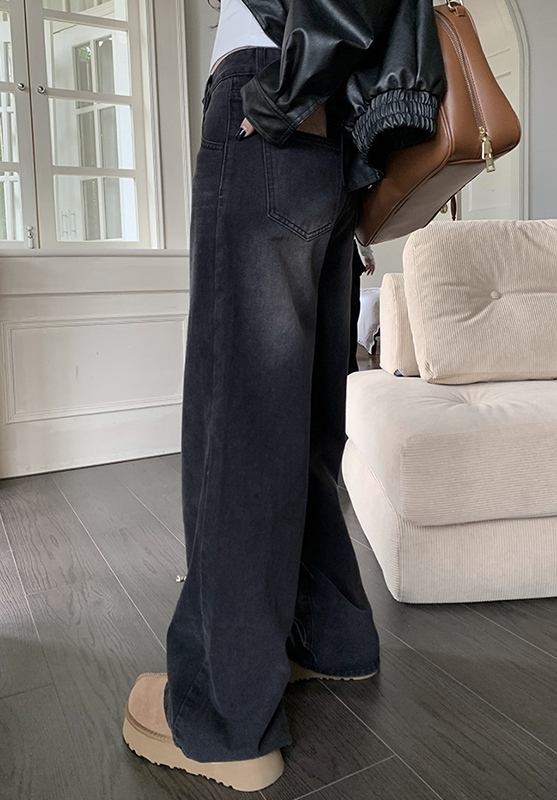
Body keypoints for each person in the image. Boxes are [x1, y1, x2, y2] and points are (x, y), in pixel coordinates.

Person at [122, 0, 445, 792]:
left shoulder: (275, 87)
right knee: (297, 421)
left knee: (237, 421)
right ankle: (328, 637)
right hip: (327, 127)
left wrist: (276, 95)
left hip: (277, 97)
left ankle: (223, 715)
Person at [349, 241, 376, 373]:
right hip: (346, 252)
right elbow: (360, 232)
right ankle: (349, 368)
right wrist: (367, 256)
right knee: (350, 316)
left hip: (316, 251)